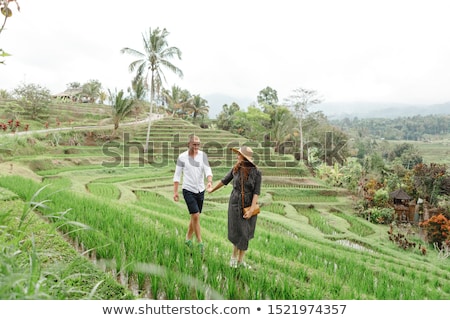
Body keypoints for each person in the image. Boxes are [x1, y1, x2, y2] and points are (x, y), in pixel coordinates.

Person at [207, 146, 261, 268]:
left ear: (245, 157)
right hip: (235, 202)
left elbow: (256, 192)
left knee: (245, 233)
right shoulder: (236, 169)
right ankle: (233, 257)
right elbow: (224, 181)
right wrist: (211, 190)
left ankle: (241, 261)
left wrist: (252, 210)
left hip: (249, 205)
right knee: (238, 231)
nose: (237, 156)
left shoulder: (256, 172)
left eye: (239, 154)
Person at [173, 134, 213, 253]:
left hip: (200, 190)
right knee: (195, 215)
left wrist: (209, 181)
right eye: (194, 144)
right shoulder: (182, 157)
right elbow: (177, 175)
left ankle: (188, 239)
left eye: (198, 144)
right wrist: (175, 192)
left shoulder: (202, 156)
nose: (196, 147)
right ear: (188, 144)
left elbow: (208, 170)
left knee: (194, 216)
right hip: (188, 189)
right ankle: (200, 242)